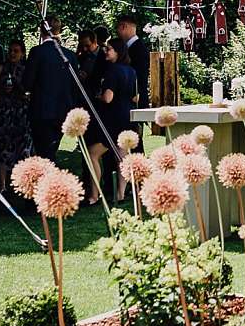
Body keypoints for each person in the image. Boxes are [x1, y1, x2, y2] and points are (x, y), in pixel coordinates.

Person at [86, 38, 138, 205]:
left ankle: (94, 195)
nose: (106, 51)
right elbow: (136, 96)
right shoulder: (131, 71)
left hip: (112, 118)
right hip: (127, 117)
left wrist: (97, 96)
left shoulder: (112, 71)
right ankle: (121, 194)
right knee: (121, 157)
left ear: (117, 51)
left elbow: (108, 98)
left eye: (109, 49)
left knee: (93, 154)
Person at [22, 15, 80, 161]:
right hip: (63, 111)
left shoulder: (37, 52)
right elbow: (75, 86)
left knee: (43, 152)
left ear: (41, 31)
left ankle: (48, 180)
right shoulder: (70, 55)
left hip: (42, 111)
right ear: (59, 30)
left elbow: (27, 83)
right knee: (51, 151)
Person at [0, 36, 32, 194]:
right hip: (4, 111)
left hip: (21, 111)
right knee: (3, 147)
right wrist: (2, 91)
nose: (12, 54)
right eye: (10, 51)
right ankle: (2, 184)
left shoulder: (27, 69)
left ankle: (23, 182)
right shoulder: (0, 68)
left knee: (23, 146)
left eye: (16, 51)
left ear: (23, 53)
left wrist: (25, 94)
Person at [116, 12, 150, 112]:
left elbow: (139, 76)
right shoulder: (133, 47)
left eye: (117, 28)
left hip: (135, 99)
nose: (117, 32)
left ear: (123, 26)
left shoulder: (138, 49)